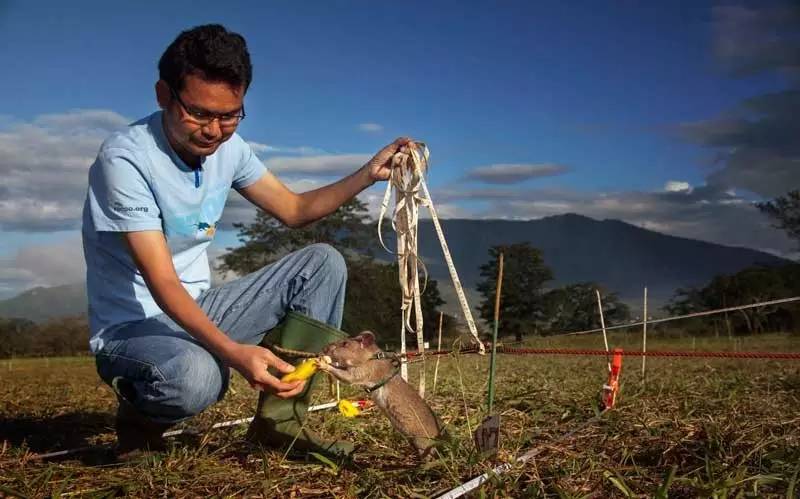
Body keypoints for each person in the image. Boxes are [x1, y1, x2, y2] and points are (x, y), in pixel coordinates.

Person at [81, 24, 410, 459]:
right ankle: (140, 417)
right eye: (199, 113)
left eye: (230, 115)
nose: (214, 130)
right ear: (164, 95)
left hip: (197, 307)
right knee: (196, 380)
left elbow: (294, 210)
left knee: (322, 263)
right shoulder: (125, 159)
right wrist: (234, 352)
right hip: (134, 327)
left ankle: (279, 423)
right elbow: (161, 282)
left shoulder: (228, 151)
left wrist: (369, 173)